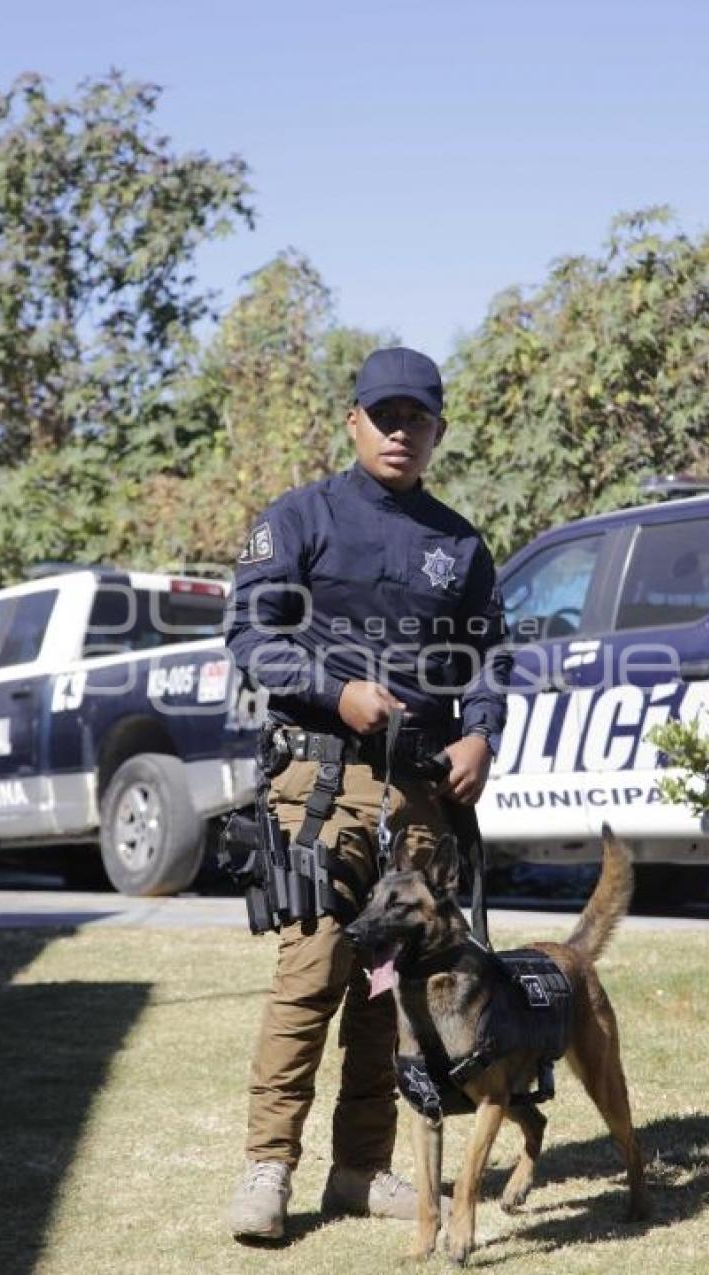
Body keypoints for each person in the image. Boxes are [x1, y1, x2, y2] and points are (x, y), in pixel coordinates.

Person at [225, 346, 512, 1240]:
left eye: (416, 417)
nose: (399, 430)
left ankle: (361, 1170)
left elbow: (490, 659)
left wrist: (481, 733)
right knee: (312, 971)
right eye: (383, 414)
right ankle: (268, 1171)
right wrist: (333, 690)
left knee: (387, 992)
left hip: (420, 798)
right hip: (321, 782)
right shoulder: (302, 517)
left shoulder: (460, 544)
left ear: (438, 431)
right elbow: (248, 632)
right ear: (352, 420)